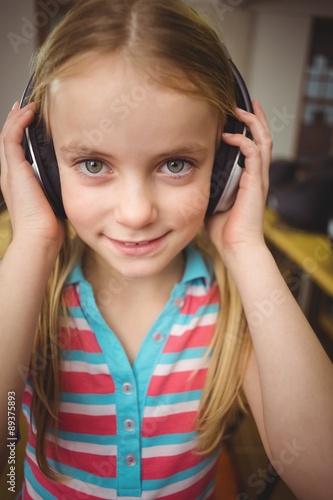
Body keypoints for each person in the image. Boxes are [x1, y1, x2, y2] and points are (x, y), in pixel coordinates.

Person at [0, 0, 332, 498]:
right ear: (44, 167)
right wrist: (32, 241)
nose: (136, 213)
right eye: (93, 164)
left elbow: (322, 473)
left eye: (175, 164)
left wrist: (246, 247)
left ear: (225, 170)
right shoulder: (27, 293)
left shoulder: (232, 304)